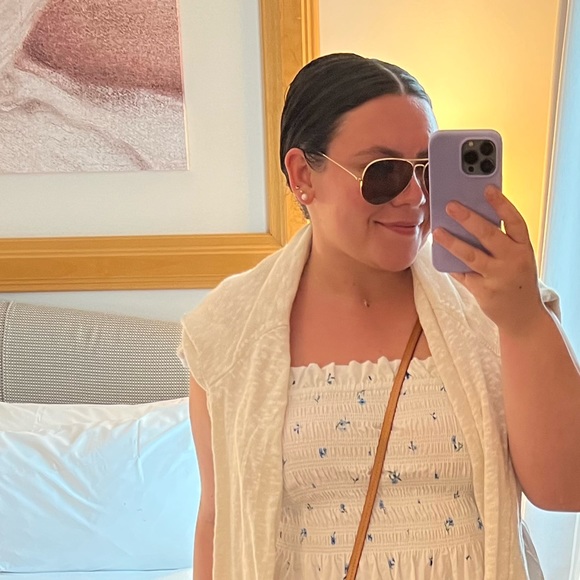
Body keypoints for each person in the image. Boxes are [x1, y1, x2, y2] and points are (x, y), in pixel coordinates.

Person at [179, 53, 580, 579]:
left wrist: (523, 321)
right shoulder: (228, 331)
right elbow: (218, 520)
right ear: (303, 175)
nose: (414, 196)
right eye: (384, 172)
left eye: (428, 171)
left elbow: (566, 488)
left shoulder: (500, 304)